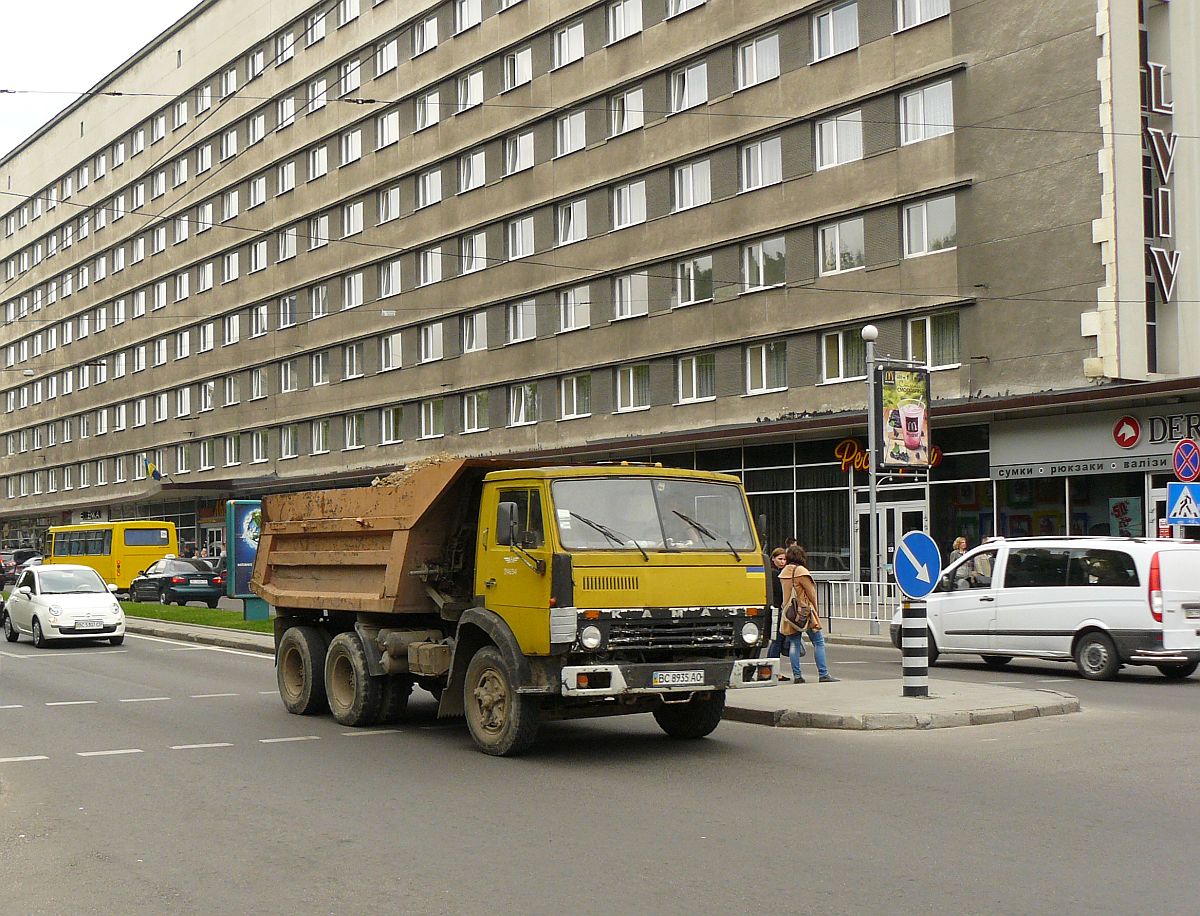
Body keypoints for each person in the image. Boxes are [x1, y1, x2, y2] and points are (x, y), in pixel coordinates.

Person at [779, 544, 839, 684]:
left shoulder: (784, 572)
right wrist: (816, 611)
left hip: (789, 613)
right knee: (818, 642)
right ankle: (823, 674)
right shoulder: (801, 571)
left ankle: (798, 676)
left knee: (794, 643)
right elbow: (812, 594)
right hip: (805, 612)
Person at [763, 548, 789, 668]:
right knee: (777, 640)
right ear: (773, 559)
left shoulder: (776, 572)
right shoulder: (774, 573)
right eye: (780, 559)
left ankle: (770, 668)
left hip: (777, 609)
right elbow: (779, 592)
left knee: (777, 640)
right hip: (777, 610)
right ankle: (772, 668)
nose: (782, 562)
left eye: (784, 559)